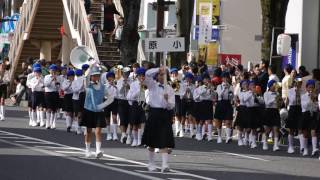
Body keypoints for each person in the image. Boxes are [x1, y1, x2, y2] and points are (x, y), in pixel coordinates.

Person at [142, 66, 175, 172]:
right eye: (161, 75)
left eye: (164, 75)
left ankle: (165, 164)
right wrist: (158, 69)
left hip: (165, 114)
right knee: (151, 140)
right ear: (158, 76)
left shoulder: (170, 89)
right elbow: (147, 74)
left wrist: (167, 101)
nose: (162, 76)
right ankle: (151, 163)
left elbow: (171, 106)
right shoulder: (152, 85)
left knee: (164, 139)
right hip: (153, 113)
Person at [80, 65, 114, 158]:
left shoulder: (103, 87)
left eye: (97, 75)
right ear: (91, 76)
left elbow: (110, 99)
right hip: (88, 110)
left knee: (98, 131)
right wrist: (90, 67)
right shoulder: (88, 85)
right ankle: (87, 150)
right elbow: (85, 77)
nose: (95, 77)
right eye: (94, 75)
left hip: (99, 112)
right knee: (89, 131)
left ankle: (98, 150)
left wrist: (101, 106)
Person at [127, 67, 147, 146]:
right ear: (137, 76)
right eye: (140, 76)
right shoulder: (133, 84)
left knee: (142, 123)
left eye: (143, 76)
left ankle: (139, 139)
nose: (142, 77)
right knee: (135, 124)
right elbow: (129, 97)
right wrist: (139, 89)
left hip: (144, 104)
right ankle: (134, 139)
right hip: (135, 104)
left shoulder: (147, 84)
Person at [300, 79, 319, 156]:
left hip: (313, 115)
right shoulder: (303, 96)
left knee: (313, 131)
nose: (311, 89)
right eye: (309, 87)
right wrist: (310, 99)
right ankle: (305, 149)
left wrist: (314, 100)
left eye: (312, 87)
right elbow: (304, 106)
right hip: (305, 114)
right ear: (307, 88)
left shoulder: (316, 97)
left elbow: (316, 107)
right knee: (305, 133)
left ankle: (314, 149)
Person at [214, 72, 234, 143]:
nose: (225, 79)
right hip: (220, 103)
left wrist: (230, 92)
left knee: (228, 120)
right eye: (224, 78)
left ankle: (228, 137)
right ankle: (219, 136)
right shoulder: (219, 86)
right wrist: (224, 88)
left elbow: (232, 96)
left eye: (226, 77)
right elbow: (219, 95)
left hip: (227, 103)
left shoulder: (231, 86)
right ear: (222, 79)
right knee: (219, 121)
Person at [262, 80, 281, 151]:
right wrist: (274, 99)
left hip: (275, 111)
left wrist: (279, 101)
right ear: (270, 86)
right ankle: (265, 143)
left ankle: (275, 145)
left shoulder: (277, 93)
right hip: (268, 111)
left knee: (276, 129)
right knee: (267, 130)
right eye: (274, 85)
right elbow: (267, 103)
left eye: (275, 85)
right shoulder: (266, 93)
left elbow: (279, 104)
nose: (275, 87)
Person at [287, 77, 303, 154]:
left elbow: (303, 101)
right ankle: (290, 146)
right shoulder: (290, 90)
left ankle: (302, 147)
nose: (299, 84)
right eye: (298, 83)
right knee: (291, 128)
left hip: (300, 109)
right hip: (293, 109)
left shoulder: (303, 91)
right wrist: (296, 92)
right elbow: (292, 100)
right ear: (295, 83)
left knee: (300, 128)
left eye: (300, 83)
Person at [44, 64, 61, 129]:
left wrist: (56, 80)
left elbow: (59, 86)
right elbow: (46, 84)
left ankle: (52, 123)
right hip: (48, 93)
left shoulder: (58, 77)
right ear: (49, 70)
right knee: (49, 108)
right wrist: (51, 80)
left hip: (55, 93)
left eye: (54, 70)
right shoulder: (46, 77)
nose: (53, 71)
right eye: (52, 70)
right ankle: (47, 123)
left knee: (54, 109)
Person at [117, 67, 131, 143]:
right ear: (123, 73)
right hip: (121, 100)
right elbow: (119, 91)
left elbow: (132, 90)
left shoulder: (131, 80)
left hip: (129, 101)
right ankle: (123, 134)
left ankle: (125, 134)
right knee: (122, 118)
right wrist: (123, 85)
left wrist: (128, 85)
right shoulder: (119, 81)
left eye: (128, 73)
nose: (126, 74)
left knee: (127, 119)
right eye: (125, 73)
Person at [104, 71, 118, 141]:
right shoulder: (105, 85)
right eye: (109, 77)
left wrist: (114, 86)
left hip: (114, 101)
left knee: (115, 117)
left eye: (112, 77)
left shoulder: (116, 85)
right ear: (107, 78)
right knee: (107, 118)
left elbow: (118, 94)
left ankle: (115, 134)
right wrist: (109, 85)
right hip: (107, 101)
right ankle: (108, 133)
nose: (111, 78)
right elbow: (104, 94)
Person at [72, 69, 86, 135]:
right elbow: (75, 91)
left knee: (81, 113)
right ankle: (78, 128)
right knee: (78, 113)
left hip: (82, 97)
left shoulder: (84, 79)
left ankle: (80, 128)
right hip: (76, 98)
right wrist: (81, 86)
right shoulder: (74, 82)